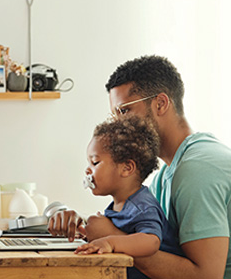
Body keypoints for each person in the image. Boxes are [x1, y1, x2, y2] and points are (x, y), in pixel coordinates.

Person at [49, 55, 231, 279]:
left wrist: (111, 236)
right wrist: (84, 227)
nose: (118, 124)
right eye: (114, 114)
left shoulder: (198, 170)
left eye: (124, 111)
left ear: (160, 103)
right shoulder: (166, 173)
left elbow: (206, 276)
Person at [55, 115, 183, 279]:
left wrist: (110, 242)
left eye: (95, 163)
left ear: (126, 168)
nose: (88, 171)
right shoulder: (119, 204)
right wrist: (84, 232)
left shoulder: (142, 205)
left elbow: (151, 241)